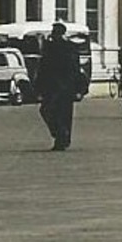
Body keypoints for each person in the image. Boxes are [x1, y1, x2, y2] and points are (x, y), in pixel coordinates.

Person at [36, 22, 77, 150]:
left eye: (55, 32)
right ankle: (61, 134)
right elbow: (43, 67)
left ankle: (61, 137)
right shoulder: (52, 46)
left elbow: (73, 68)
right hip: (57, 86)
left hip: (59, 86)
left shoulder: (62, 47)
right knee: (53, 111)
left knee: (58, 112)